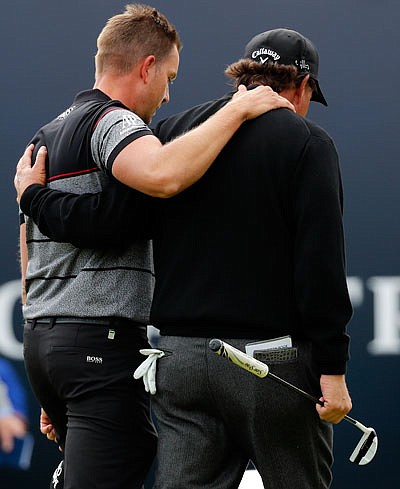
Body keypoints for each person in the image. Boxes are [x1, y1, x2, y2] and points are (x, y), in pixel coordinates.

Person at [15, 28, 352, 489]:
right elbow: (321, 266)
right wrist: (332, 369)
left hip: (181, 363)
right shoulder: (307, 142)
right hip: (268, 362)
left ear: (243, 75)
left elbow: (104, 222)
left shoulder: (170, 134)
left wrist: (34, 197)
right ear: (303, 87)